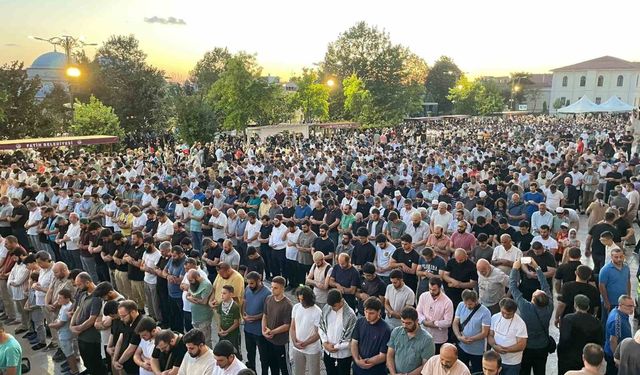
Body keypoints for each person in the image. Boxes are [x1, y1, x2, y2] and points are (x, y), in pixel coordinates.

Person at [509, 258, 553, 375]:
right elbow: (545, 285)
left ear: (533, 299)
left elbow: (513, 288)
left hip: (527, 346)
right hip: (542, 346)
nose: (538, 289)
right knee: (540, 371)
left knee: (524, 371)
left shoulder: (525, 307)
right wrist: (537, 267)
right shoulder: (549, 306)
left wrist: (514, 268)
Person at [70, 272, 107, 375]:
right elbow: (78, 309)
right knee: (87, 362)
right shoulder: (83, 294)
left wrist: (78, 329)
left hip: (91, 338)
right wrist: (72, 325)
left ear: (88, 283)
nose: (77, 287)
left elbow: (92, 319)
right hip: (81, 337)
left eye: (79, 284)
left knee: (96, 364)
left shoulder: (96, 298)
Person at [557, 294, 604, 375]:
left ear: (575, 306)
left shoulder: (568, 319)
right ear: (588, 307)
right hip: (588, 359)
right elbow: (599, 343)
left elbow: (563, 341)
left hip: (569, 359)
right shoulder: (596, 322)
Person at [387, 306, 434, 375]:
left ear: (417, 321)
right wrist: (393, 373)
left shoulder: (427, 340)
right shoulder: (396, 331)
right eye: (403, 322)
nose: (404, 326)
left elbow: (426, 365)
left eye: (408, 323)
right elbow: (390, 355)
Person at [319, 289, 357, 375]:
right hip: (328, 353)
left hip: (343, 355)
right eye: (331, 306)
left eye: (334, 306)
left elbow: (351, 338)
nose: (332, 308)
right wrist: (325, 343)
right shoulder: (327, 308)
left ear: (341, 301)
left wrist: (335, 347)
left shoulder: (350, 315)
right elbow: (321, 326)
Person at [452, 289, 491, 373]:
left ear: (476, 301)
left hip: (477, 351)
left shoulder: (485, 312)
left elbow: (484, 332)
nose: (466, 306)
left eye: (469, 304)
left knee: (477, 371)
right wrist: (459, 336)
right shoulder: (461, 305)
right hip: (462, 346)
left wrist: (470, 339)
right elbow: (455, 322)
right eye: (465, 303)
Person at [351, 296, 392, 375]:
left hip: (375, 371)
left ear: (379, 312)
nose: (367, 315)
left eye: (371, 313)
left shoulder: (386, 329)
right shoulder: (360, 322)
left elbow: (383, 355)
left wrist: (364, 362)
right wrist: (357, 360)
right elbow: (354, 343)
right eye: (366, 312)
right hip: (357, 369)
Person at [262, 276, 293, 375]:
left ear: (282, 288)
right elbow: (265, 315)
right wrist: (263, 330)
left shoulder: (287, 305)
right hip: (268, 340)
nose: (272, 290)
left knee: (284, 367)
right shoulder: (268, 299)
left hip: (281, 342)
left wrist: (272, 332)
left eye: (276, 288)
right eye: (271, 287)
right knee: (272, 365)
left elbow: (287, 325)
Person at [487, 298, 527, 375]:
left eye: (509, 314)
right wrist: (495, 346)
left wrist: (506, 349)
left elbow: (522, 345)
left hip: (512, 363)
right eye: (503, 312)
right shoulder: (495, 317)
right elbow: (490, 335)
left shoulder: (520, 323)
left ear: (514, 312)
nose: (505, 315)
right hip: (495, 359)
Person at [243, 271, 271, 374]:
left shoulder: (267, 293)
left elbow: (267, 312)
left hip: (260, 331)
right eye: (248, 283)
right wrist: (244, 314)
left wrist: (254, 318)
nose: (249, 286)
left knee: (263, 357)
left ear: (259, 281)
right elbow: (244, 301)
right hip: (248, 329)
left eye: (252, 283)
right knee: (250, 354)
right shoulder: (247, 289)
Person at [416, 276, 453, 353]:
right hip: (423, 335)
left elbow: (448, 322)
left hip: (438, 339)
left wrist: (434, 324)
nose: (431, 292)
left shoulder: (447, 302)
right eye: (430, 289)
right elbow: (418, 312)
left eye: (434, 290)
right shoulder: (423, 296)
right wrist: (424, 321)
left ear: (440, 288)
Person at [290, 286, 322, 375]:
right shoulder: (296, 307)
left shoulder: (317, 311)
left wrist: (305, 343)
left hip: (312, 349)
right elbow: (292, 327)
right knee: (298, 372)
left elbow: (318, 333)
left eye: (303, 300)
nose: (301, 302)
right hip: (297, 347)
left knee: (314, 372)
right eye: (299, 299)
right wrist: (294, 342)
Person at [49, 288, 79, 375]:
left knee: (69, 354)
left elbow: (61, 324)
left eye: (60, 298)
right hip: (64, 333)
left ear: (67, 298)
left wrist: (51, 325)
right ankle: (72, 367)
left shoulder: (66, 308)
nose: (58, 300)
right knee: (69, 353)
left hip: (65, 334)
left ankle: (74, 371)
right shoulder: (65, 306)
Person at [604, 295, 635, 375]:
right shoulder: (617, 321)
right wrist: (616, 358)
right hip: (613, 356)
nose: (632, 308)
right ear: (620, 305)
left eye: (633, 306)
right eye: (629, 306)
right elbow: (613, 341)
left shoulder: (618, 312)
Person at [599, 247, 630, 324]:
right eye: (616, 257)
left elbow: (628, 282)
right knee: (608, 322)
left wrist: (628, 297)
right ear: (611, 257)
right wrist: (606, 302)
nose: (619, 259)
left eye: (621, 256)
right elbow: (602, 286)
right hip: (611, 302)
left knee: (622, 322)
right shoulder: (605, 270)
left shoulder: (626, 268)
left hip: (623, 302)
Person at [113, 300, 143, 375]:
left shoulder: (140, 324)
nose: (121, 319)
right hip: (125, 363)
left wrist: (119, 362)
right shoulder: (127, 321)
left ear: (133, 312)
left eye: (123, 316)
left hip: (135, 366)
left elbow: (131, 349)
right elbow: (120, 340)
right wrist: (114, 359)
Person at [216, 285, 242, 357]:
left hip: (232, 334)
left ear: (231, 294)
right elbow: (218, 317)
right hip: (222, 332)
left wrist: (227, 331)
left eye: (224, 293)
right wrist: (220, 329)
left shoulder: (234, 306)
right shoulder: (221, 304)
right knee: (223, 350)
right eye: (221, 293)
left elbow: (236, 323)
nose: (222, 295)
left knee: (233, 351)